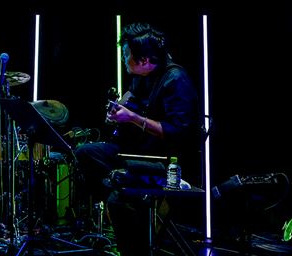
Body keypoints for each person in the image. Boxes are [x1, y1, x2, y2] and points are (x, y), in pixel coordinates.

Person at [73, 22, 201, 256]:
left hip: (165, 162)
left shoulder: (175, 80)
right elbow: (132, 95)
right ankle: (120, 190)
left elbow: (176, 132)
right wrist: (118, 108)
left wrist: (132, 117)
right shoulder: (142, 76)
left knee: (118, 199)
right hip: (137, 152)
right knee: (85, 152)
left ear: (144, 60)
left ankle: (133, 223)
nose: (123, 58)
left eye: (126, 54)